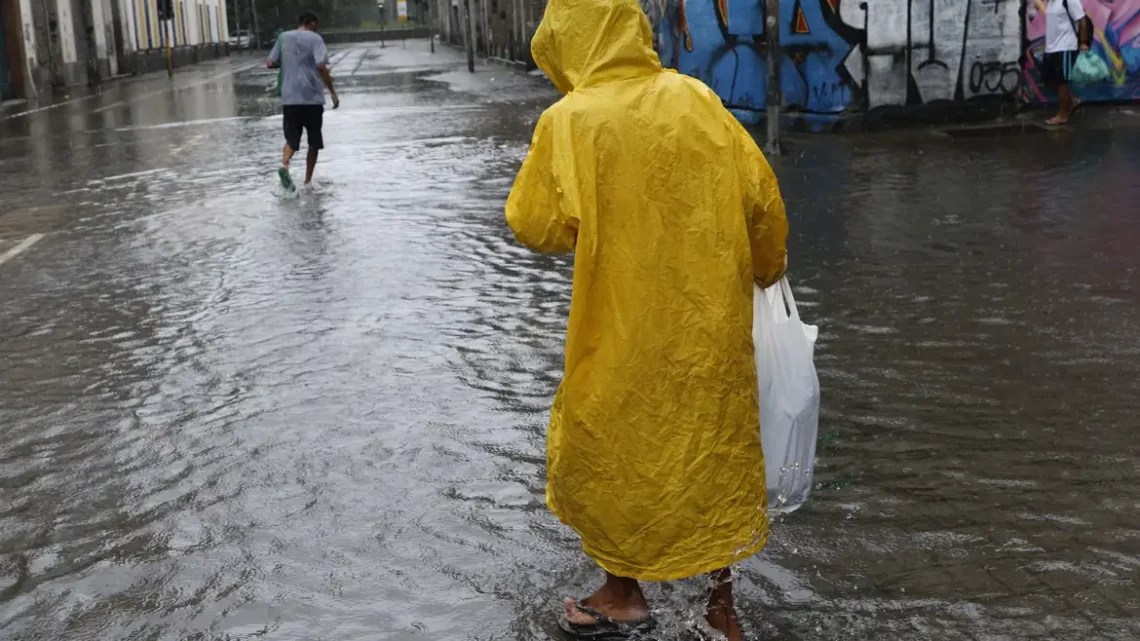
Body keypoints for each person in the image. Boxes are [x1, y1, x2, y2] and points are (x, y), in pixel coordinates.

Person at [504, 0, 788, 638]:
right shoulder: (695, 97)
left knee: (606, 451)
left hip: (621, 332)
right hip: (707, 331)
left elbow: (536, 224)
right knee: (708, 451)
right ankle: (721, 609)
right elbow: (761, 199)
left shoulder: (569, 120)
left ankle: (622, 591)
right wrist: (767, 269)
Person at [267, 11, 339, 190]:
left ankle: (284, 165)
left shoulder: (283, 37)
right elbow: (321, 66)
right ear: (312, 23)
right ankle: (307, 182)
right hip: (312, 99)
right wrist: (332, 92)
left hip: (290, 99)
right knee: (313, 142)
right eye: (316, 25)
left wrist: (288, 62)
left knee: (292, 139)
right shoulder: (315, 39)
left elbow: (269, 63)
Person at [1043, 0, 1091, 125]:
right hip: (1051, 47)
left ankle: (1063, 115)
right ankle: (1072, 100)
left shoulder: (1069, 1)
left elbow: (1082, 21)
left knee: (1061, 81)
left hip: (1065, 46)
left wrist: (1083, 42)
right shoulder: (1051, 3)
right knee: (1050, 80)